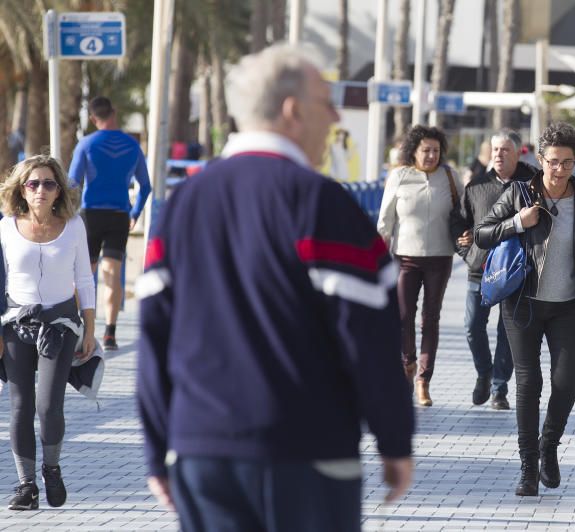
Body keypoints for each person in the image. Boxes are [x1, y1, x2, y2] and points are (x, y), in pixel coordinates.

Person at [137, 44, 414, 531]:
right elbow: (369, 336)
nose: (334, 116)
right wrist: (394, 440)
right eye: (326, 101)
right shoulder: (322, 204)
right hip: (306, 453)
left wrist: (158, 452)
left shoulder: (183, 206)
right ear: (292, 110)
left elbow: (153, 337)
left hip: (203, 453)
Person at [475, 122, 575, 497]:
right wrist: (518, 222)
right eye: (553, 162)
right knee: (528, 383)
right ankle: (528, 466)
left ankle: (550, 445)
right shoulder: (519, 193)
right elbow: (483, 232)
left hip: (567, 307)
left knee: (567, 383)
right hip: (522, 306)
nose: (560, 170)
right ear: (541, 159)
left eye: (567, 162)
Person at [0, 155, 97, 510]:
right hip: (15, 323)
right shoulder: (6, 226)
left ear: (59, 190)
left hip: (61, 324)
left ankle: (51, 469)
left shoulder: (74, 226)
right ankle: (26, 485)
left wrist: (90, 325)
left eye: (48, 183)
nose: (41, 190)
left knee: (48, 405)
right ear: (22, 189)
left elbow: (84, 279)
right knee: (20, 405)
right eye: (33, 183)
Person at [377, 125, 461, 407]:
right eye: (426, 150)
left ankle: (424, 381)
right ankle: (406, 366)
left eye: (436, 150)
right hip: (405, 257)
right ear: (413, 150)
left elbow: (464, 211)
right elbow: (385, 220)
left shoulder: (449, 177)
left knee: (430, 318)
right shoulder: (399, 176)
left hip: (440, 256)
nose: (431, 155)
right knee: (403, 316)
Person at [451, 129, 534, 410]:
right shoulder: (476, 185)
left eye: (505, 149)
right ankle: (484, 373)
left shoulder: (533, 182)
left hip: (518, 272)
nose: (498, 154)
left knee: (507, 332)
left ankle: (499, 388)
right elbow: (457, 222)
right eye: (495, 149)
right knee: (473, 327)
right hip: (480, 271)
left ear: (518, 152)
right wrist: (467, 252)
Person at [68, 96, 152, 351]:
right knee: (113, 274)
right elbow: (145, 186)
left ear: (93, 118)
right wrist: (135, 213)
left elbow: (73, 182)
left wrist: (66, 213)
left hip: (91, 214)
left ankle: (72, 326)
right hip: (119, 215)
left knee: (84, 273)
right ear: (114, 111)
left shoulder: (87, 144)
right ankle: (110, 333)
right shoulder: (132, 145)